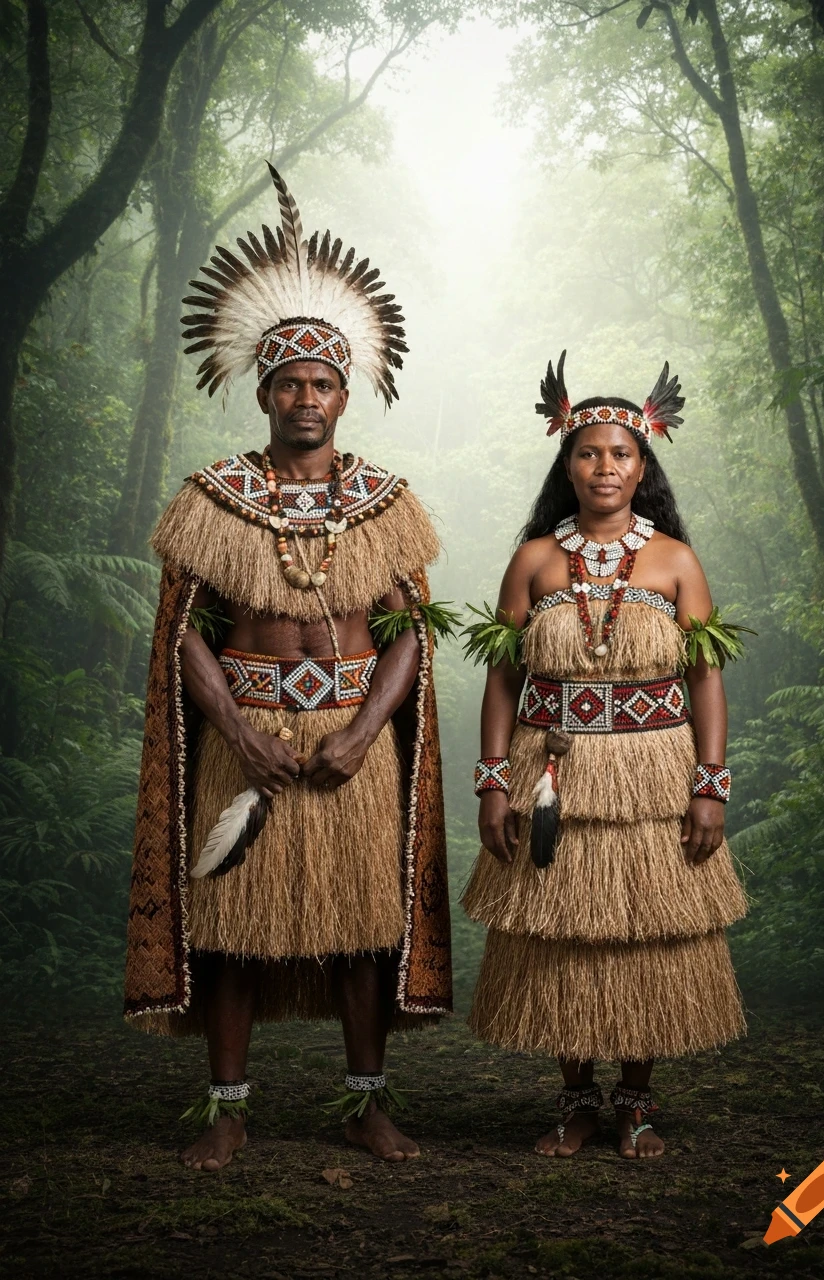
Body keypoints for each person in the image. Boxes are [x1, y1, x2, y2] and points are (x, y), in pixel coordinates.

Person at [123, 165, 452, 1171]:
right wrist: (235, 727)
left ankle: (366, 1104)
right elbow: (184, 625)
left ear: (346, 393)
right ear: (259, 390)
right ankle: (227, 1110)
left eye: (320, 382)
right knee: (229, 927)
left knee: (359, 929)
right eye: (286, 382)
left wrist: (360, 732)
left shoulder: (386, 500)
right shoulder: (212, 497)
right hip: (247, 739)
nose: (304, 397)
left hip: (351, 739)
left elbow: (409, 631)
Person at [462, 352, 747, 1159]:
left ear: (643, 462)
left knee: (642, 932)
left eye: (620, 452)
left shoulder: (675, 562)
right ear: (567, 461)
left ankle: (638, 1101)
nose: (604, 466)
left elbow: (705, 680)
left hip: (654, 779)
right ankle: (576, 1100)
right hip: (551, 775)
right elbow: (502, 681)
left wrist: (710, 787)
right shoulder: (534, 560)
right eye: (588, 452)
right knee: (563, 932)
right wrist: (491, 784)